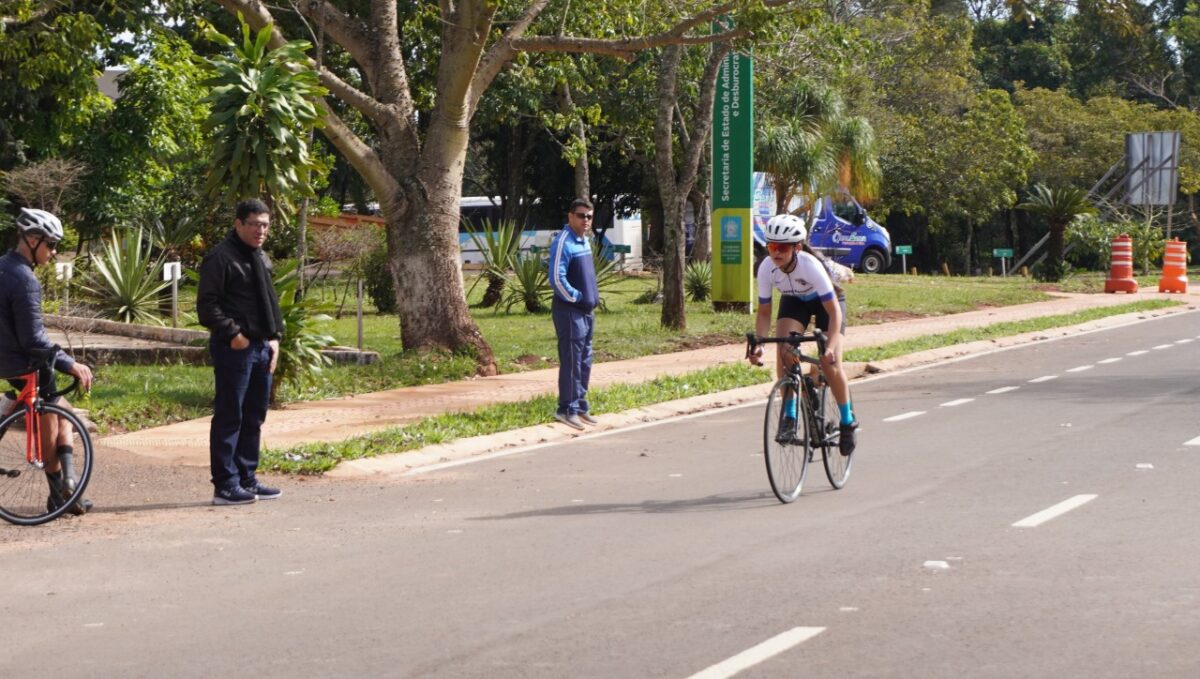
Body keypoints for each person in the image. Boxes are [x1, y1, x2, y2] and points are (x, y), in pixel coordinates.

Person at [0, 207, 94, 514]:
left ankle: (68, 489)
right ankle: (63, 493)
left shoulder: (2, 267)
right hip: (26, 363)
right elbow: (34, 340)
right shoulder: (25, 280)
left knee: (61, 412)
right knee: (53, 416)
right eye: (50, 244)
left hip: (6, 363)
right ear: (31, 238)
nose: (53, 252)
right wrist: (70, 363)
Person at [197, 199, 284, 505]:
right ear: (238, 224)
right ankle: (225, 484)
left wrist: (274, 338)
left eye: (265, 225)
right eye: (255, 224)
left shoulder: (260, 257)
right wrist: (234, 334)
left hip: (262, 347)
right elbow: (207, 306)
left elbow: (269, 302)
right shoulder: (221, 258)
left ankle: (247, 478)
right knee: (230, 415)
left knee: (254, 416)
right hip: (235, 349)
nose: (261, 230)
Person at [747, 213, 857, 455]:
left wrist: (829, 347)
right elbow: (764, 312)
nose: (775, 253)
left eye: (782, 247)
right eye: (771, 246)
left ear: (797, 247)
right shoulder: (766, 268)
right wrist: (760, 344)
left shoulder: (810, 266)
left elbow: (834, 312)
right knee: (785, 351)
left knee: (831, 364)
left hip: (828, 304)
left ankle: (847, 420)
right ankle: (790, 413)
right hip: (795, 301)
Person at [549, 198, 600, 430]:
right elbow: (557, 278)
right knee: (571, 360)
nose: (585, 220)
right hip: (570, 312)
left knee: (584, 360)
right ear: (570, 216)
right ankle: (566, 409)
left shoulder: (584, 241)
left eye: (589, 216)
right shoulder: (563, 242)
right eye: (581, 216)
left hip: (587, 312)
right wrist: (577, 298)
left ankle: (580, 406)